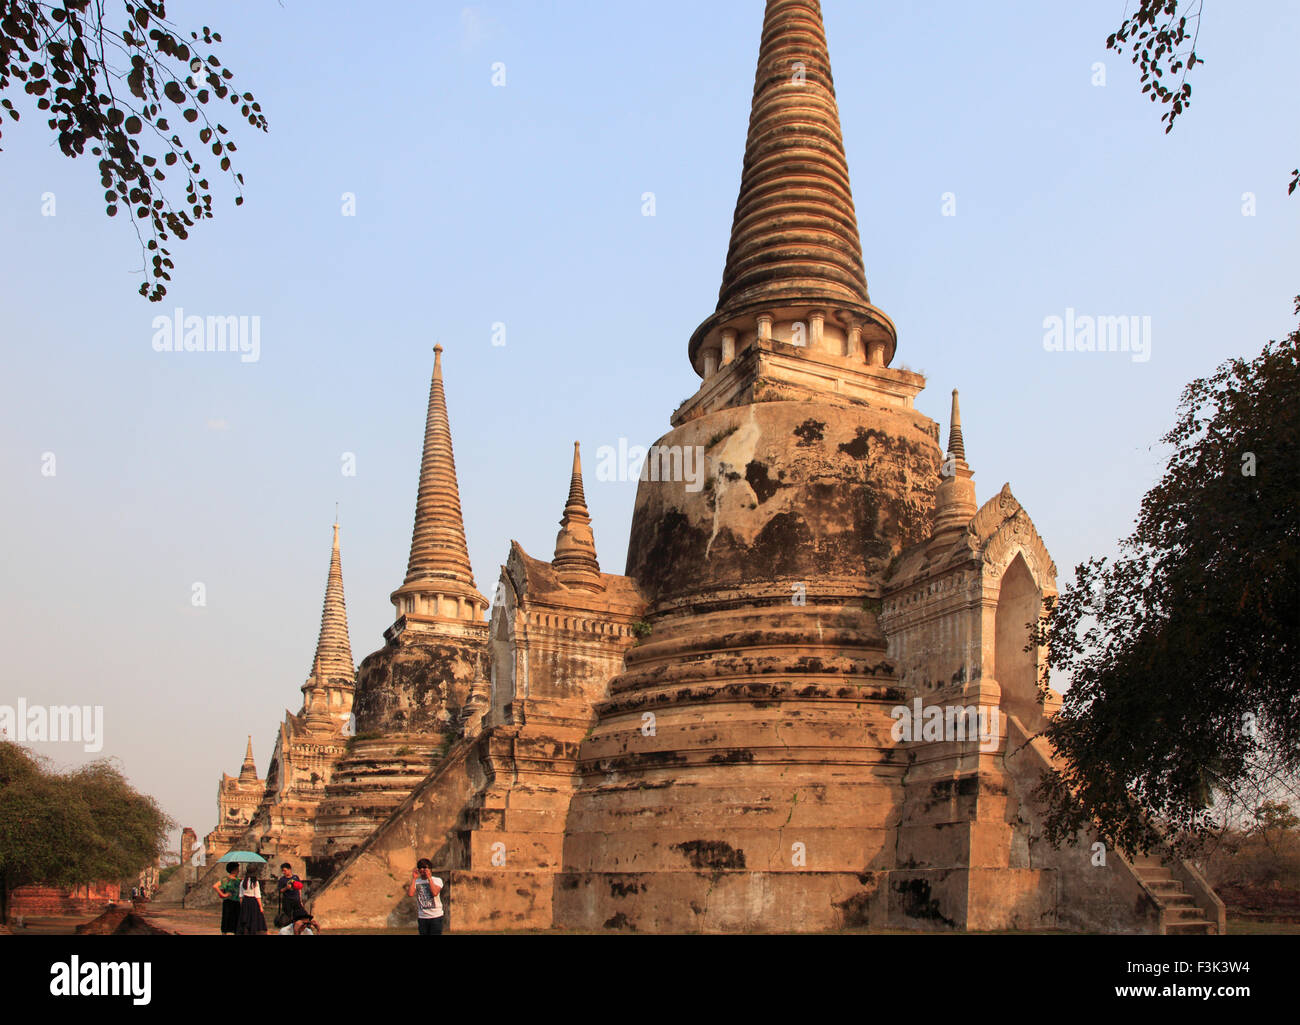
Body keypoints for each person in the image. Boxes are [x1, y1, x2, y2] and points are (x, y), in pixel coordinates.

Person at [407, 859, 444, 935]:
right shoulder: (417, 882)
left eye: (424, 868)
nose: (422, 870)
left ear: (430, 869)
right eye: (420, 868)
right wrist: (414, 878)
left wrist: (429, 878)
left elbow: (435, 893)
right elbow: (410, 894)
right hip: (423, 917)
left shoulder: (437, 880)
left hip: (436, 916)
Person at [236, 866, 268, 935]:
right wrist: (260, 906)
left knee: (246, 919)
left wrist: (242, 906)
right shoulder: (255, 882)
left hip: (245, 901)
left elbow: (241, 895)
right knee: (253, 919)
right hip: (253, 902)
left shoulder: (243, 882)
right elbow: (257, 895)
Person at [211, 863, 241, 935]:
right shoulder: (226, 879)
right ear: (234, 870)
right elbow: (215, 886)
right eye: (237, 869)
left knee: (236, 919)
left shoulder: (238, 880)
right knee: (226, 918)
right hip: (228, 901)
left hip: (236, 902)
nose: (238, 871)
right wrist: (223, 895)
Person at [275, 862, 304, 927]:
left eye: (285, 870)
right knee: (287, 916)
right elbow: (280, 890)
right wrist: (286, 888)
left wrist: (300, 900)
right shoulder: (282, 880)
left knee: (299, 914)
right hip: (287, 900)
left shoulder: (295, 877)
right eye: (282, 871)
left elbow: (299, 889)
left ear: (289, 870)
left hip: (296, 899)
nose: (284, 872)